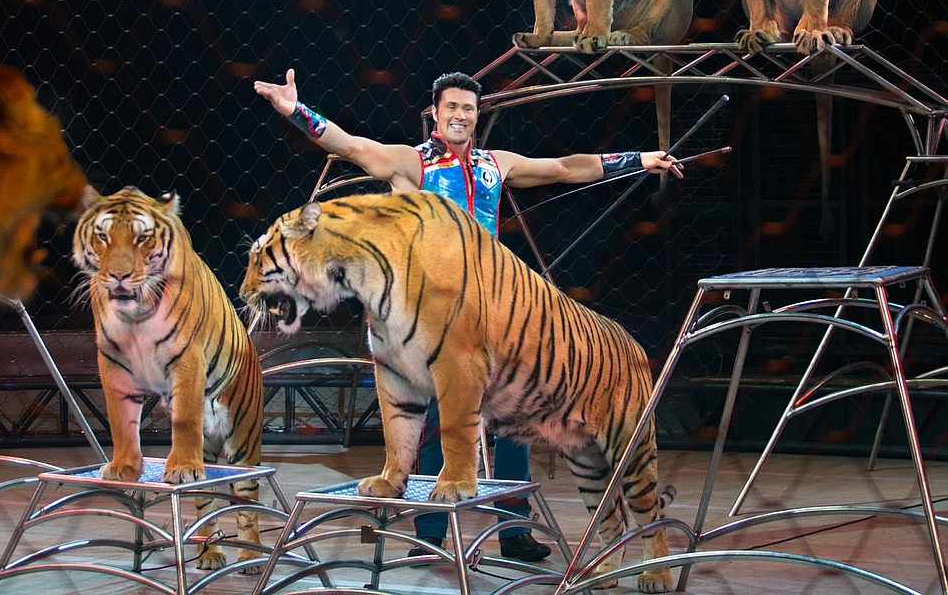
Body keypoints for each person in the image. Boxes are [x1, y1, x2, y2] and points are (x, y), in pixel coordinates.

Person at [254, 68, 682, 562]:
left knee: (518, 419)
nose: (461, 115)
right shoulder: (412, 164)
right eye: (452, 107)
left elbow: (565, 167)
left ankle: (514, 530)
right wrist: (294, 110)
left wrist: (639, 159)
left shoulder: (494, 163)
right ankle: (432, 536)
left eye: (469, 109)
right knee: (437, 417)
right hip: (430, 312)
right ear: (435, 112)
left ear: (478, 116)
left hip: (494, 308)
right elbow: (351, 146)